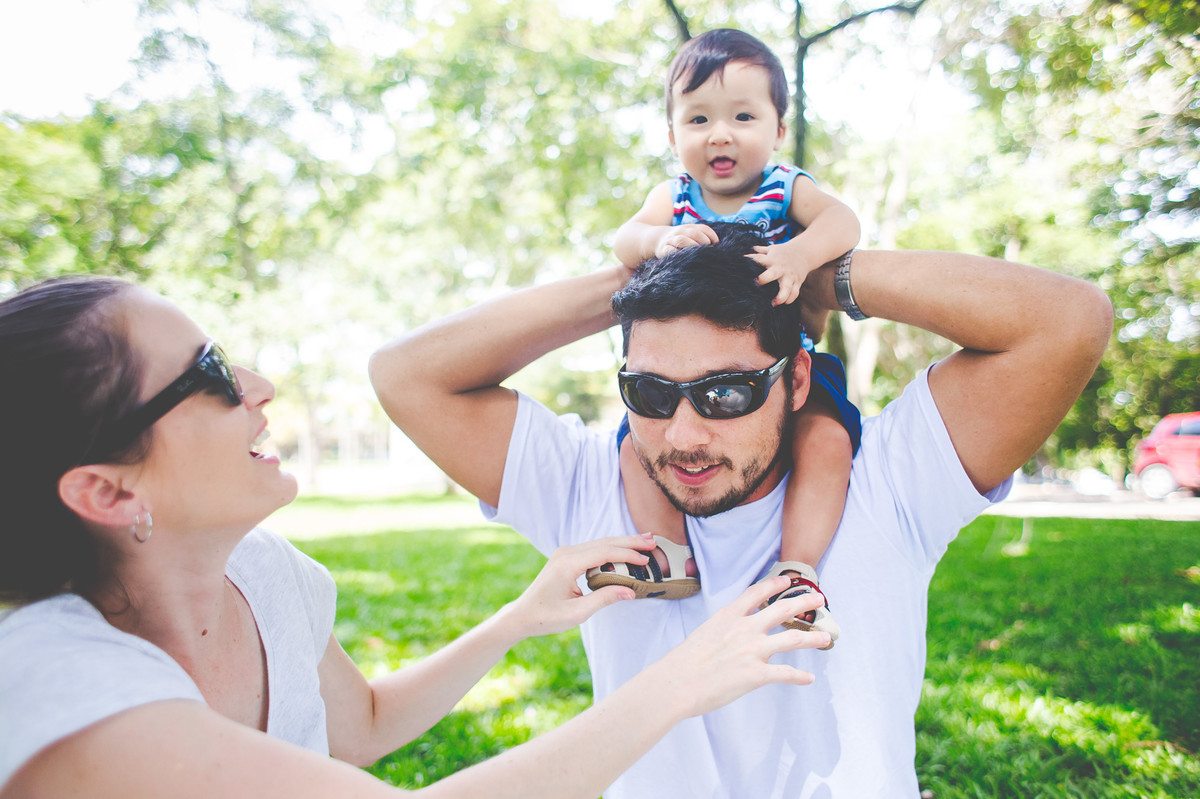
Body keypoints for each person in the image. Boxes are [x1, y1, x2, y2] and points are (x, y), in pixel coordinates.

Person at [0, 275, 833, 799]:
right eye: (211, 374)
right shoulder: (55, 681)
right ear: (108, 490)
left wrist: (519, 618)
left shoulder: (261, 574)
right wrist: (681, 678)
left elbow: (360, 724)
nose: (259, 384)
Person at [369, 227, 1112, 796]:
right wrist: (638, 280)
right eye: (650, 394)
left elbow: (1068, 319)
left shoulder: (884, 484)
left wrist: (816, 274)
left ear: (797, 380)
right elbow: (403, 374)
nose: (683, 436)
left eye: (725, 393)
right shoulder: (590, 486)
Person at [605, 29, 862, 644]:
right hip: (682, 369)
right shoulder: (673, 197)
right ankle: (669, 554)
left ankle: (797, 570)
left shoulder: (785, 186)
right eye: (698, 119)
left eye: (743, 116)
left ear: (777, 130)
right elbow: (624, 239)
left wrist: (800, 255)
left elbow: (843, 221)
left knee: (826, 439)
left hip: (788, 358)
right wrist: (658, 241)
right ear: (673, 138)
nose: (720, 134)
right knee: (633, 449)